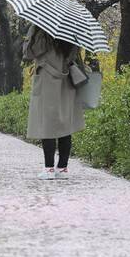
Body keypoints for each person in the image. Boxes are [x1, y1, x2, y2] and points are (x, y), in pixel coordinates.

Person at [24, 27, 88, 180]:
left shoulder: (42, 30)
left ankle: (49, 169)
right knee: (65, 123)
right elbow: (74, 56)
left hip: (47, 80)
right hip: (66, 81)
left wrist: (32, 33)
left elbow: (29, 52)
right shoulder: (72, 31)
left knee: (47, 124)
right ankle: (62, 168)